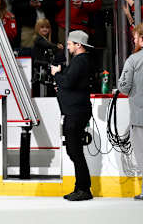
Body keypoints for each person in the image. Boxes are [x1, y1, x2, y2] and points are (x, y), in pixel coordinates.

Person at [51, 30, 94, 201]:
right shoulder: (79, 61)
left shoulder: (80, 61)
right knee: (74, 151)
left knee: (75, 151)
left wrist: (57, 74)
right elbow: (69, 83)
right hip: (74, 111)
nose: (67, 46)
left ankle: (83, 189)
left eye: (70, 44)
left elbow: (68, 81)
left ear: (78, 45)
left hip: (76, 112)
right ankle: (81, 187)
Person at [118, 23, 143, 201]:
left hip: (140, 116)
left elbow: (124, 87)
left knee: (142, 154)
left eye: (135, 37)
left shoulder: (133, 60)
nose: (133, 40)